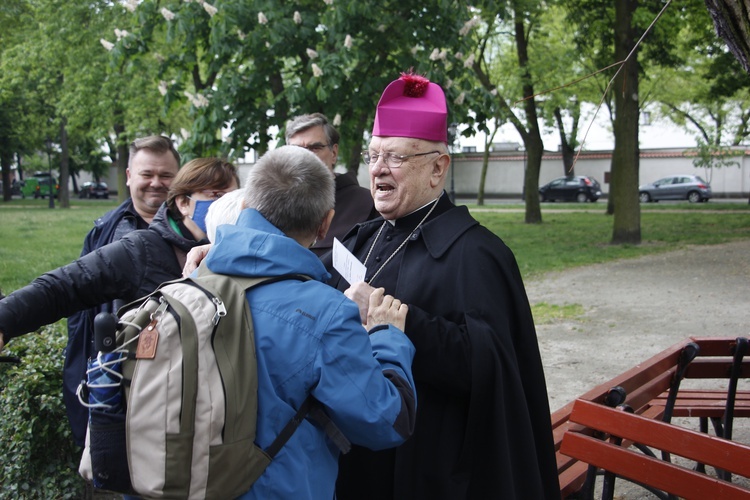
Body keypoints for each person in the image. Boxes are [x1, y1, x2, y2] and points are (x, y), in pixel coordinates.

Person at [326, 71, 560, 499]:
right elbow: (300, 278)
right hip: (357, 453)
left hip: (428, 463)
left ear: (438, 168)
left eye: (395, 158)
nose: (377, 169)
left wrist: (403, 324)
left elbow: (489, 368)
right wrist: (224, 252)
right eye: (373, 155)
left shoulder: (477, 255)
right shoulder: (364, 235)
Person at [198, 146, 416, 499]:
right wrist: (386, 335)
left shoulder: (190, 281)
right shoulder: (323, 313)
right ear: (325, 224)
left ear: (242, 207)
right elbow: (385, 421)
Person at [0, 158, 240, 376]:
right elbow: (65, 285)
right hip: (157, 399)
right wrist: (4, 321)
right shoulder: (143, 249)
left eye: (232, 198)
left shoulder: (233, 254)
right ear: (184, 203)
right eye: (216, 195)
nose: (225, 206)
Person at [64, 135, 181, 446]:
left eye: (166, 175)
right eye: (147, 174)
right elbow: (79, 315)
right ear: (129, 176)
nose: (156, 183)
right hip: (116, 382)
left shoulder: (197, 235)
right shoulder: (102, 233)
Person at [285, 113, 378, 257]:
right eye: (296, 150)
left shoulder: (368, 203)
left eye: (315, 148)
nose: (305, 157)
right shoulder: (275, 204)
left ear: (333, 153)